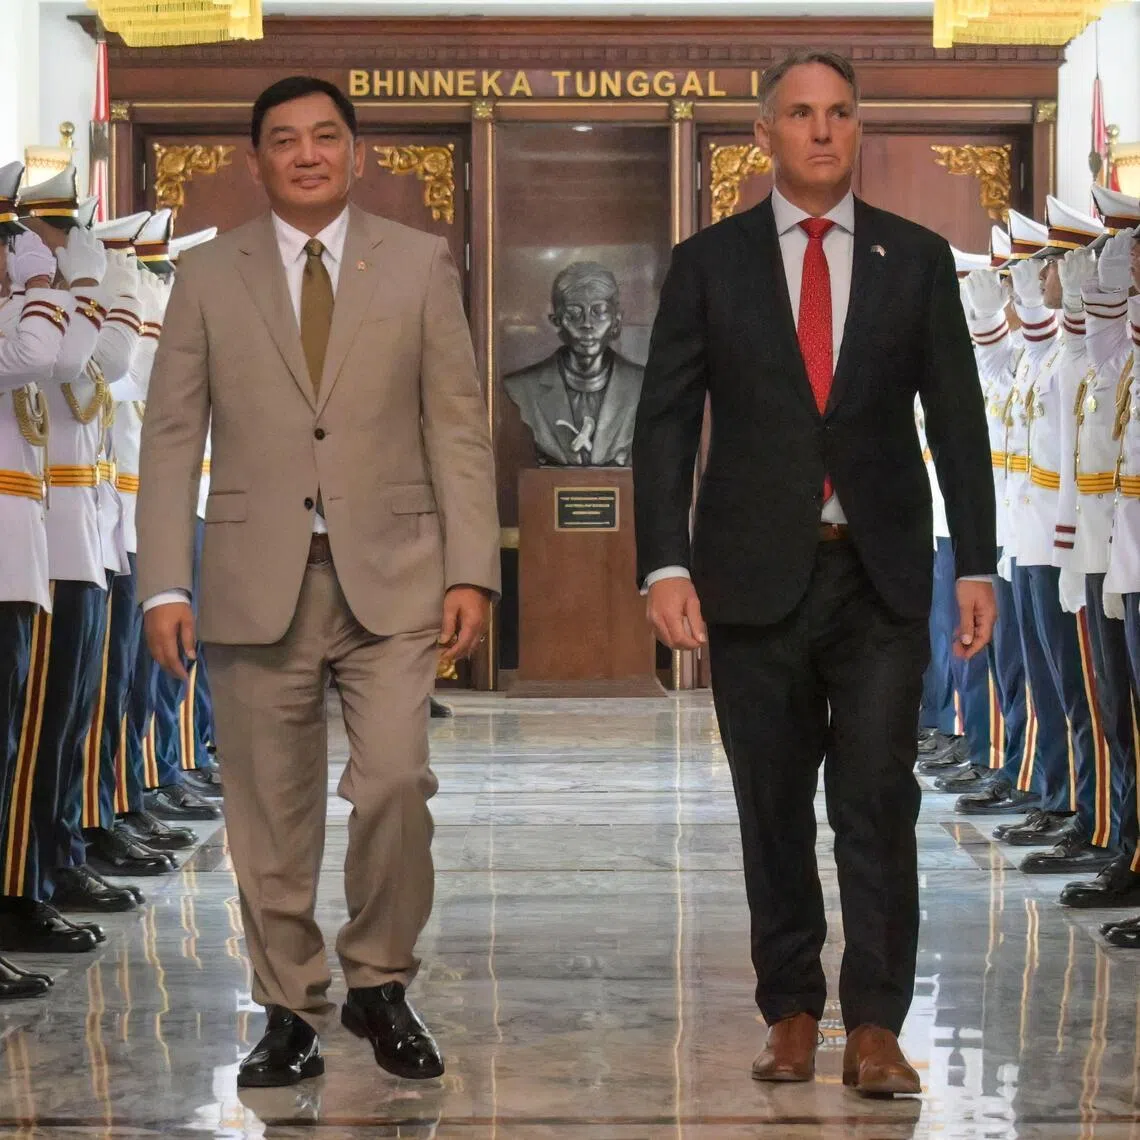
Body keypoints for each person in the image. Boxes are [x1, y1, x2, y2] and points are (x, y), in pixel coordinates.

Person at [632, 49, 996, 1096]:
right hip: (751, 578)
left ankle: (876, 1025)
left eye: (840, 113)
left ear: (858, 128)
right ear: (766, 133)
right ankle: (790, 1009)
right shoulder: (712, 263)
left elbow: (960, 425)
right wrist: (664, 561)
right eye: (801, 114)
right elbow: (664, 424)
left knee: (879, 797)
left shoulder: (916, 259)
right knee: (773, 803)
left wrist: (975, 561)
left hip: (879, 575)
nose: (823, 131)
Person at [135, 75, 500, 1087]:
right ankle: (289, 1005)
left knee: (393, 784)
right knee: (268, 811)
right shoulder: (208, 276)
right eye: (285, 141)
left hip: (396, 577)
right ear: (257, 162)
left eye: (326, 138)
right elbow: (172, 437)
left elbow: (456, 426)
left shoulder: (418, 264)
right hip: (254, 579)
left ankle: (379, 980)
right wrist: (166, 582)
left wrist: (473, 568)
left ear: (357, 152)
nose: (307, 155)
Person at [504, 261, 644, 467]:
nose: (587, 324)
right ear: (556, 320)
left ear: (616, 320)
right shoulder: (522, 388)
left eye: (599, 311)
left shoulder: (644, 386)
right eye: (574, 313)